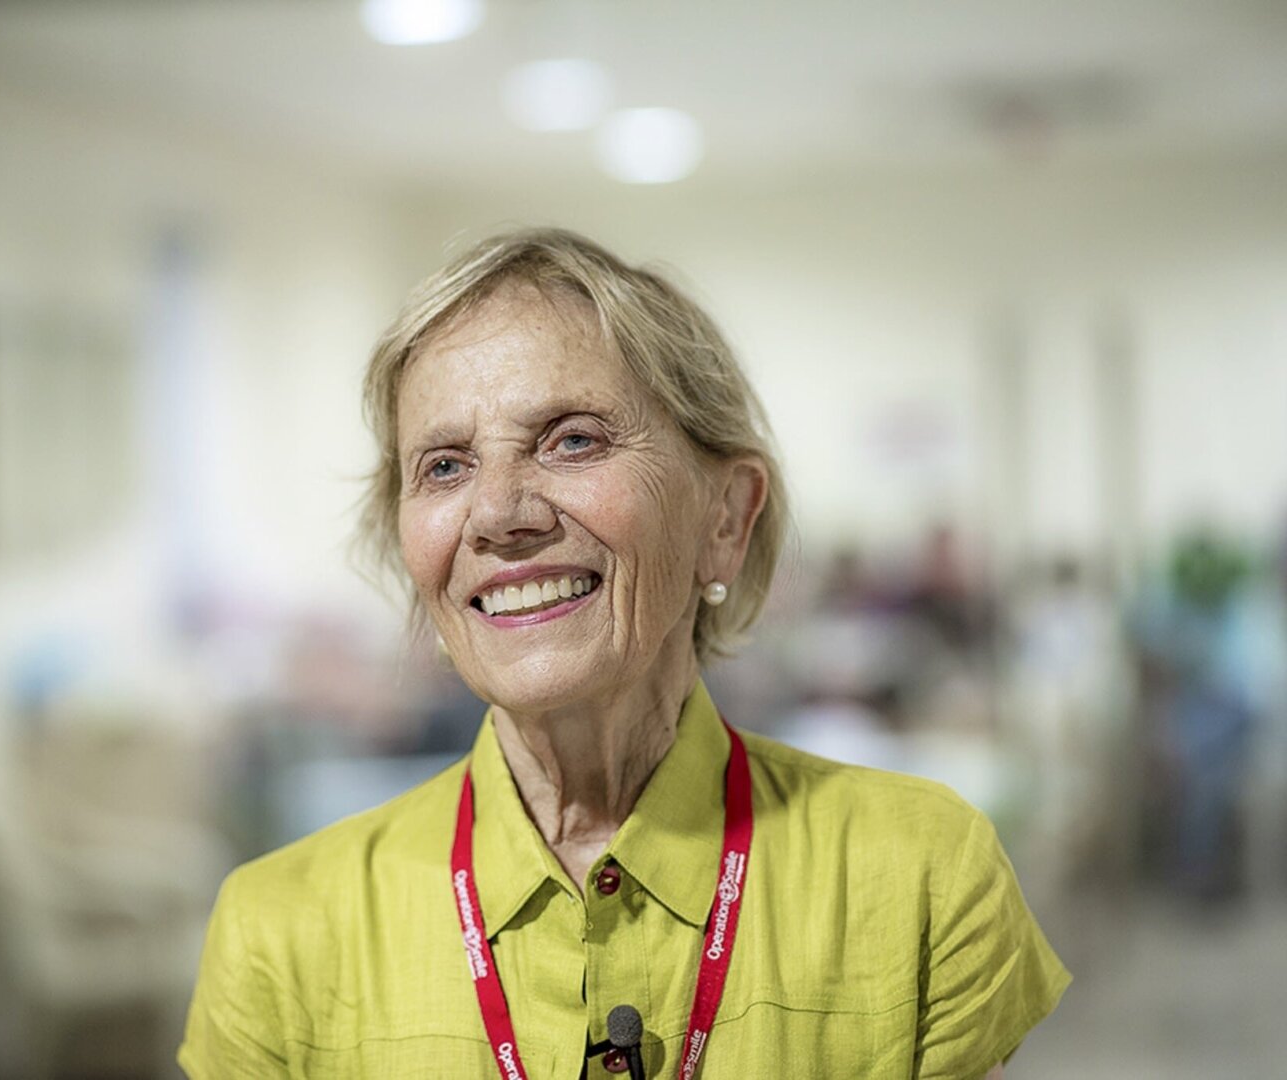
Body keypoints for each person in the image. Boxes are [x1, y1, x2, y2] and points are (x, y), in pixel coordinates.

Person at [178, 229, 1069, 1078]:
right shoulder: (279, 934)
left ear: (724, 518)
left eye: (574, 440)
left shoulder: (914, 874)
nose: (499, 514)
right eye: (445, 467)